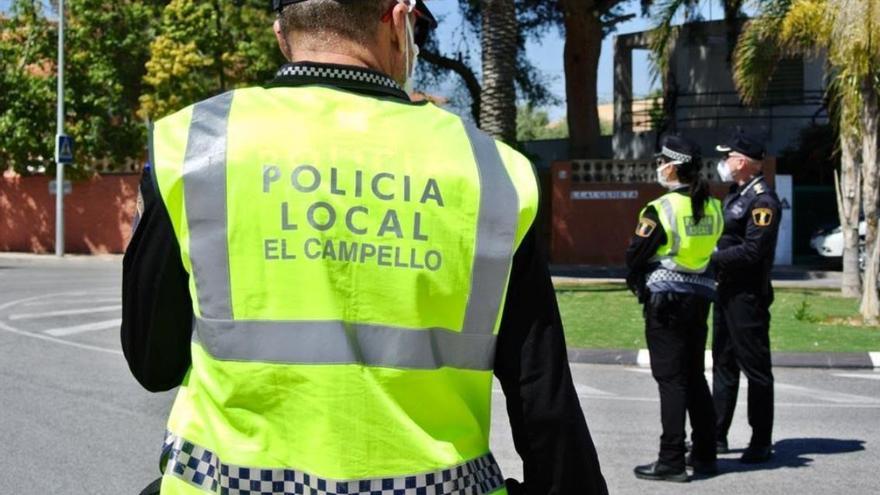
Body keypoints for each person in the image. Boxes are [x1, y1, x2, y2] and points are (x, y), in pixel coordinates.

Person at [121, 1, 608, 494]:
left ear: (282, 35)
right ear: (398, 22)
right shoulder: (490, 171)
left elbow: (152, 363)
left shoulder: (194, 144)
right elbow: (545, 405)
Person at [626, 135, 723, 482]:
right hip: (700, 298)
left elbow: (635, 253)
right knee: (694, 375)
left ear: (673, 165)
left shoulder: (661, 208)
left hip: (666, 301)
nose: (658, 168)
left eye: (661, 162)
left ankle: (671, 460)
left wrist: (635, 274)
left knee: (670, 380)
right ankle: (706, 454)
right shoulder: (713, 206)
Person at [711, 130, 781, 464]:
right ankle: (717, 434)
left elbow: (754, 251)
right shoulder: (736, 194)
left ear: (742, 162)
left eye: (728, 157)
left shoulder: (762, 201)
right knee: (723, 364)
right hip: (725, 291)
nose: (724, 163)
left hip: (748, 296)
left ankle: (760, 439)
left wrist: (710, 257)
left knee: (755, 369)